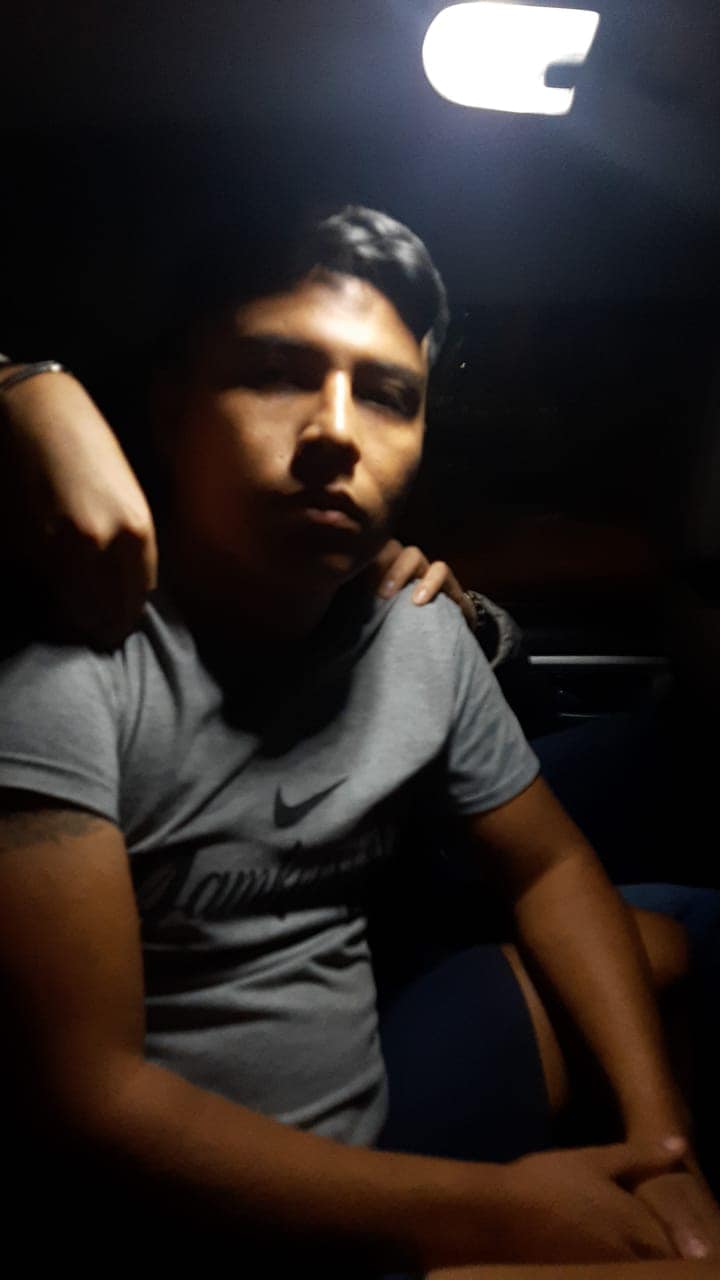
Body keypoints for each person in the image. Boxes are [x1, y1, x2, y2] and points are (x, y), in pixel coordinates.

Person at [0, 207, 718, 1275]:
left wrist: (662, 1145)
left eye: (387, 394)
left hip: (374, 1107)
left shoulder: (415, 627)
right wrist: (499, 1214)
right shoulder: (66, 672)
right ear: (171, 406)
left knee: (681, 930)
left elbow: (552, 866)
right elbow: (94, 1102)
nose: (337, 430)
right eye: (276, 373)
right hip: (173, 1216)